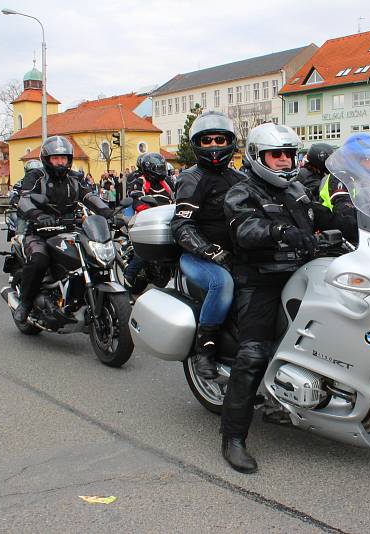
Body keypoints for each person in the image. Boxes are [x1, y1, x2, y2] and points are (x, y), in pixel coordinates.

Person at [220, 123, 356, 473]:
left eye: (288, 154)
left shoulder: (296, 188)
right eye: (275, 155)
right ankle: (233, 438)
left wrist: (351, 215)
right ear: (257, 156)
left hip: (305, 271)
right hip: (262, 278)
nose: (283, 161)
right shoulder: (242, 191)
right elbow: (245, 230)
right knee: (253, 353)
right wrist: (280, 231)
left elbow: (318, 216)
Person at [171, 111, 244, 380]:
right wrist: (212, 252)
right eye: (207, 141)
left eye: (219, 139)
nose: (214, 145)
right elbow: (181, 225)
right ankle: (205, 349)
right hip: (198, 257)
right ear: (197, 145)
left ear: (230, 142)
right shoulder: (192, 178)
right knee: (222, 283)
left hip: (236, 253)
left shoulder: (239, 179)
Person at [13, 135, 112, 324]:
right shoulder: (36, 177)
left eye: (64, 158)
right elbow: (24, 200)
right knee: (39, 260)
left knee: (92, 254)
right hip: (39, 232)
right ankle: (25, 303)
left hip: (69, 229)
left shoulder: (75, 178)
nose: (60, 162)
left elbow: (89, 196)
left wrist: (108, 212)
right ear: (47, 159)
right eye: (56, 158)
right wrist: (38, 216)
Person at [124, 152, 175, 289]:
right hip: (145, 220)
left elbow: (176, 197)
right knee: (144, 252)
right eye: (157, 168)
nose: (160, 171)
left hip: (165, 220)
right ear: (149, 169)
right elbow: (137, 202)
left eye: (162, 168)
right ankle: (129, 277)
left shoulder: (167, 183)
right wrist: (151, 211)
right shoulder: (139, 182)